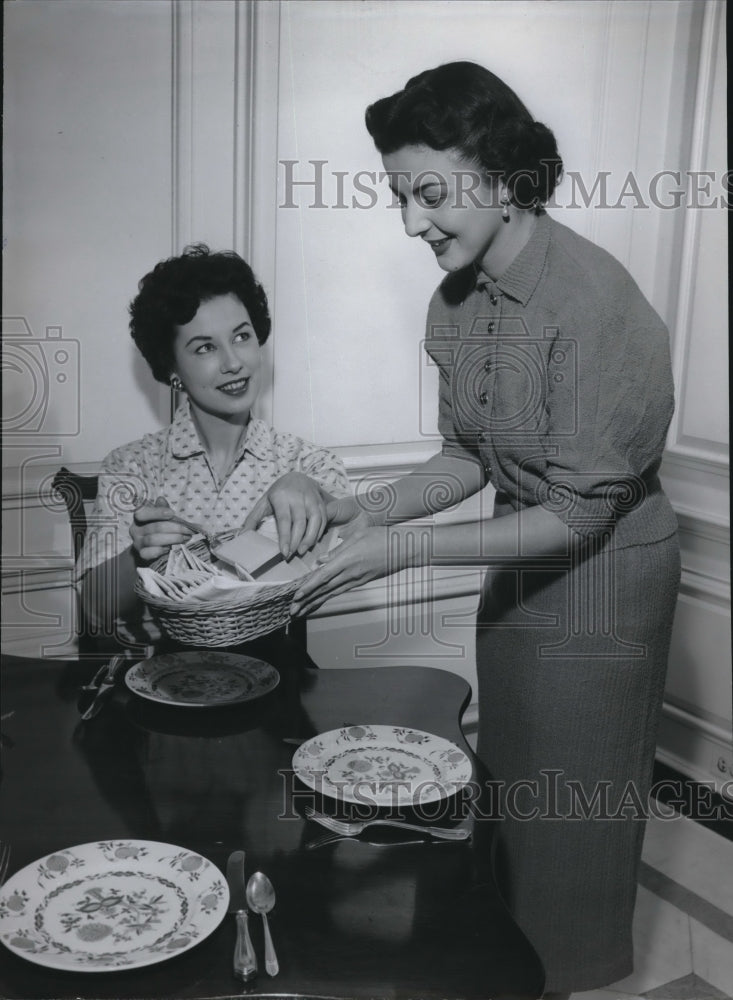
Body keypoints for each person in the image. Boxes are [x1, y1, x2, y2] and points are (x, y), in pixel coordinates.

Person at [291, 62, 680, 994]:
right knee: (509, 794)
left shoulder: (590, 304)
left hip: (604, 590)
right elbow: (466, 457)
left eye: (431, 194)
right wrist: (369, 509)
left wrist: (403, 548)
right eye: (398, 195)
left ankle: (574, 976)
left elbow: (583, 510)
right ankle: (508, 969)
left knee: (573, 822)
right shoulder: (454, 302)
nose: (412, 221)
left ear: (503, 178)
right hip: (518, 573)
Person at [77, 244, 350, 644]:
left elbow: (346, 559)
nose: (233, 362)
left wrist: (321, 501)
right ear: (171, 368)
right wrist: (137, 556)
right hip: (164, 681)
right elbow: (94, 610)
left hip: (279, 680)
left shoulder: (307, 463)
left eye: (241, 336)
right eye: (205, 347)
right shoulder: (133, 465)